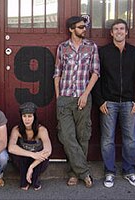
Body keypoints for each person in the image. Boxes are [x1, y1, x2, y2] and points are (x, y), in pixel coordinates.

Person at [93, 19, 135, 188]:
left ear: (126, 32)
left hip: (129, 103)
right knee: (107, 139)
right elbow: (96, 77)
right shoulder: (103, 52)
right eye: (116, 29)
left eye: (122, 28)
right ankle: (109, 172)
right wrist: (100, 101)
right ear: (111, 33)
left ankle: (129, 171)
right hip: (109, 103)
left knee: (130, 139)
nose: (119, 31)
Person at [53, 16, 100, 187]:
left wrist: (86, 94)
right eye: (80, 27)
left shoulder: (91, 47)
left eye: (84, 27)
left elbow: (95, 72)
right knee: (66, 136)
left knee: (83, 136)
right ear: (71, 29)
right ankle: (84, 172)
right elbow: (57, 72)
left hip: (83, 96)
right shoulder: (62, 48)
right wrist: (58, 97)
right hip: (65, 97)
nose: (84, 29)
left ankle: (74, 173)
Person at [8, 102, 52, 191]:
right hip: (23, 161)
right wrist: (32, 154)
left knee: (43, 156)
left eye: (30, 116)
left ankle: (34, 178)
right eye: (24, 116)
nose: (27, 119)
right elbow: (11, 148)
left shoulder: (41, 130)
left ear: (34, 117)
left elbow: (48, 150)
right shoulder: (16, 130)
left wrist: (31, 167)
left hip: (37, 161)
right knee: (19, 156)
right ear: (21, 117)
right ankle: (25, 180)